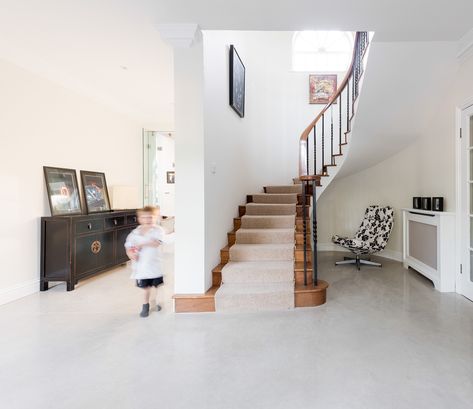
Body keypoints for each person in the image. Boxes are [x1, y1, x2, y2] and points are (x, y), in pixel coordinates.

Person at [125, 206, 165, 317]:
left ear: (155, 218)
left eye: (151, 217)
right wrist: (130, 253)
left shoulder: (158, 230)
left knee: (154, 287)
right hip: (141, 268)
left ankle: (153, 302)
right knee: (145, 289)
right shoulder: (134, 233)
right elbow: (128, 246)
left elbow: (156, 243)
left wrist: (141, 244)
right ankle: (145, 306)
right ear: (139, 219)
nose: (148, 220)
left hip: (154, 267)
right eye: (144, 217)